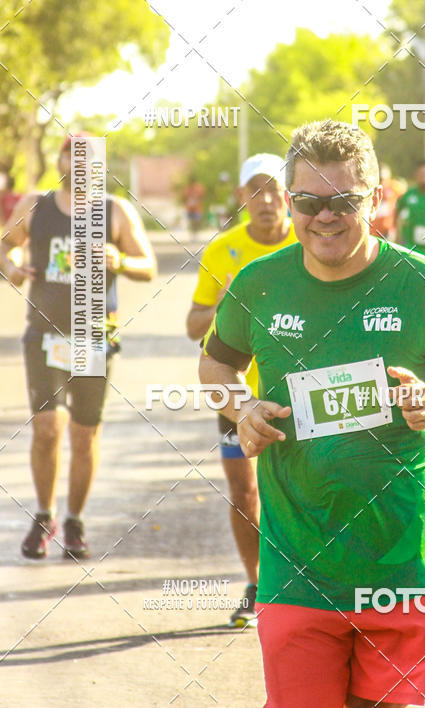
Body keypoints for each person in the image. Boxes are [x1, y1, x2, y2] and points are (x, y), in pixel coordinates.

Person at [200, 119, 425, 708]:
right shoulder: (257, 284)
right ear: (289, 199)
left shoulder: (422, 283)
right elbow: (215, 366)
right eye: (307, 200)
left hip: (403, 567)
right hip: (297, 564)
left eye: (343, 201)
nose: (323, 216)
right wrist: (241, 407)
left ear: (375, 199)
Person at [0, 133, 156, 561]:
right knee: (46, 429)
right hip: (44, 334)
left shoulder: (115, 211)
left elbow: (148, 264)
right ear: (62, 159)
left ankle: (74, 520)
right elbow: (4, 245)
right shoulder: (36, 204)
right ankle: (44, 515)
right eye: (75, 155)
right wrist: (12, 268)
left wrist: (118, 260)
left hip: (93, 336)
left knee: (84, 435)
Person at [186, 153, 296, 627]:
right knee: (244, 492)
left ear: (289, 194)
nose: (267, 201)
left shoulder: (310, 238)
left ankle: (303, 586)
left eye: (275, 189)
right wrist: (227, 304)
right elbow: (194, 327)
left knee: (303, 490)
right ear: (242, 197)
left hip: (298, 395)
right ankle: (256, 586)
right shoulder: (221, 251)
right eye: (257, 190)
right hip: (237, 396)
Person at [369, 163, 405, 240]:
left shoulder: (394, 187)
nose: (381, 182)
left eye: (383, 179)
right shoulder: (369, 189)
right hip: (371, 232)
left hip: (387, 232)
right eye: (379, 179)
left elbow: (406, 196)